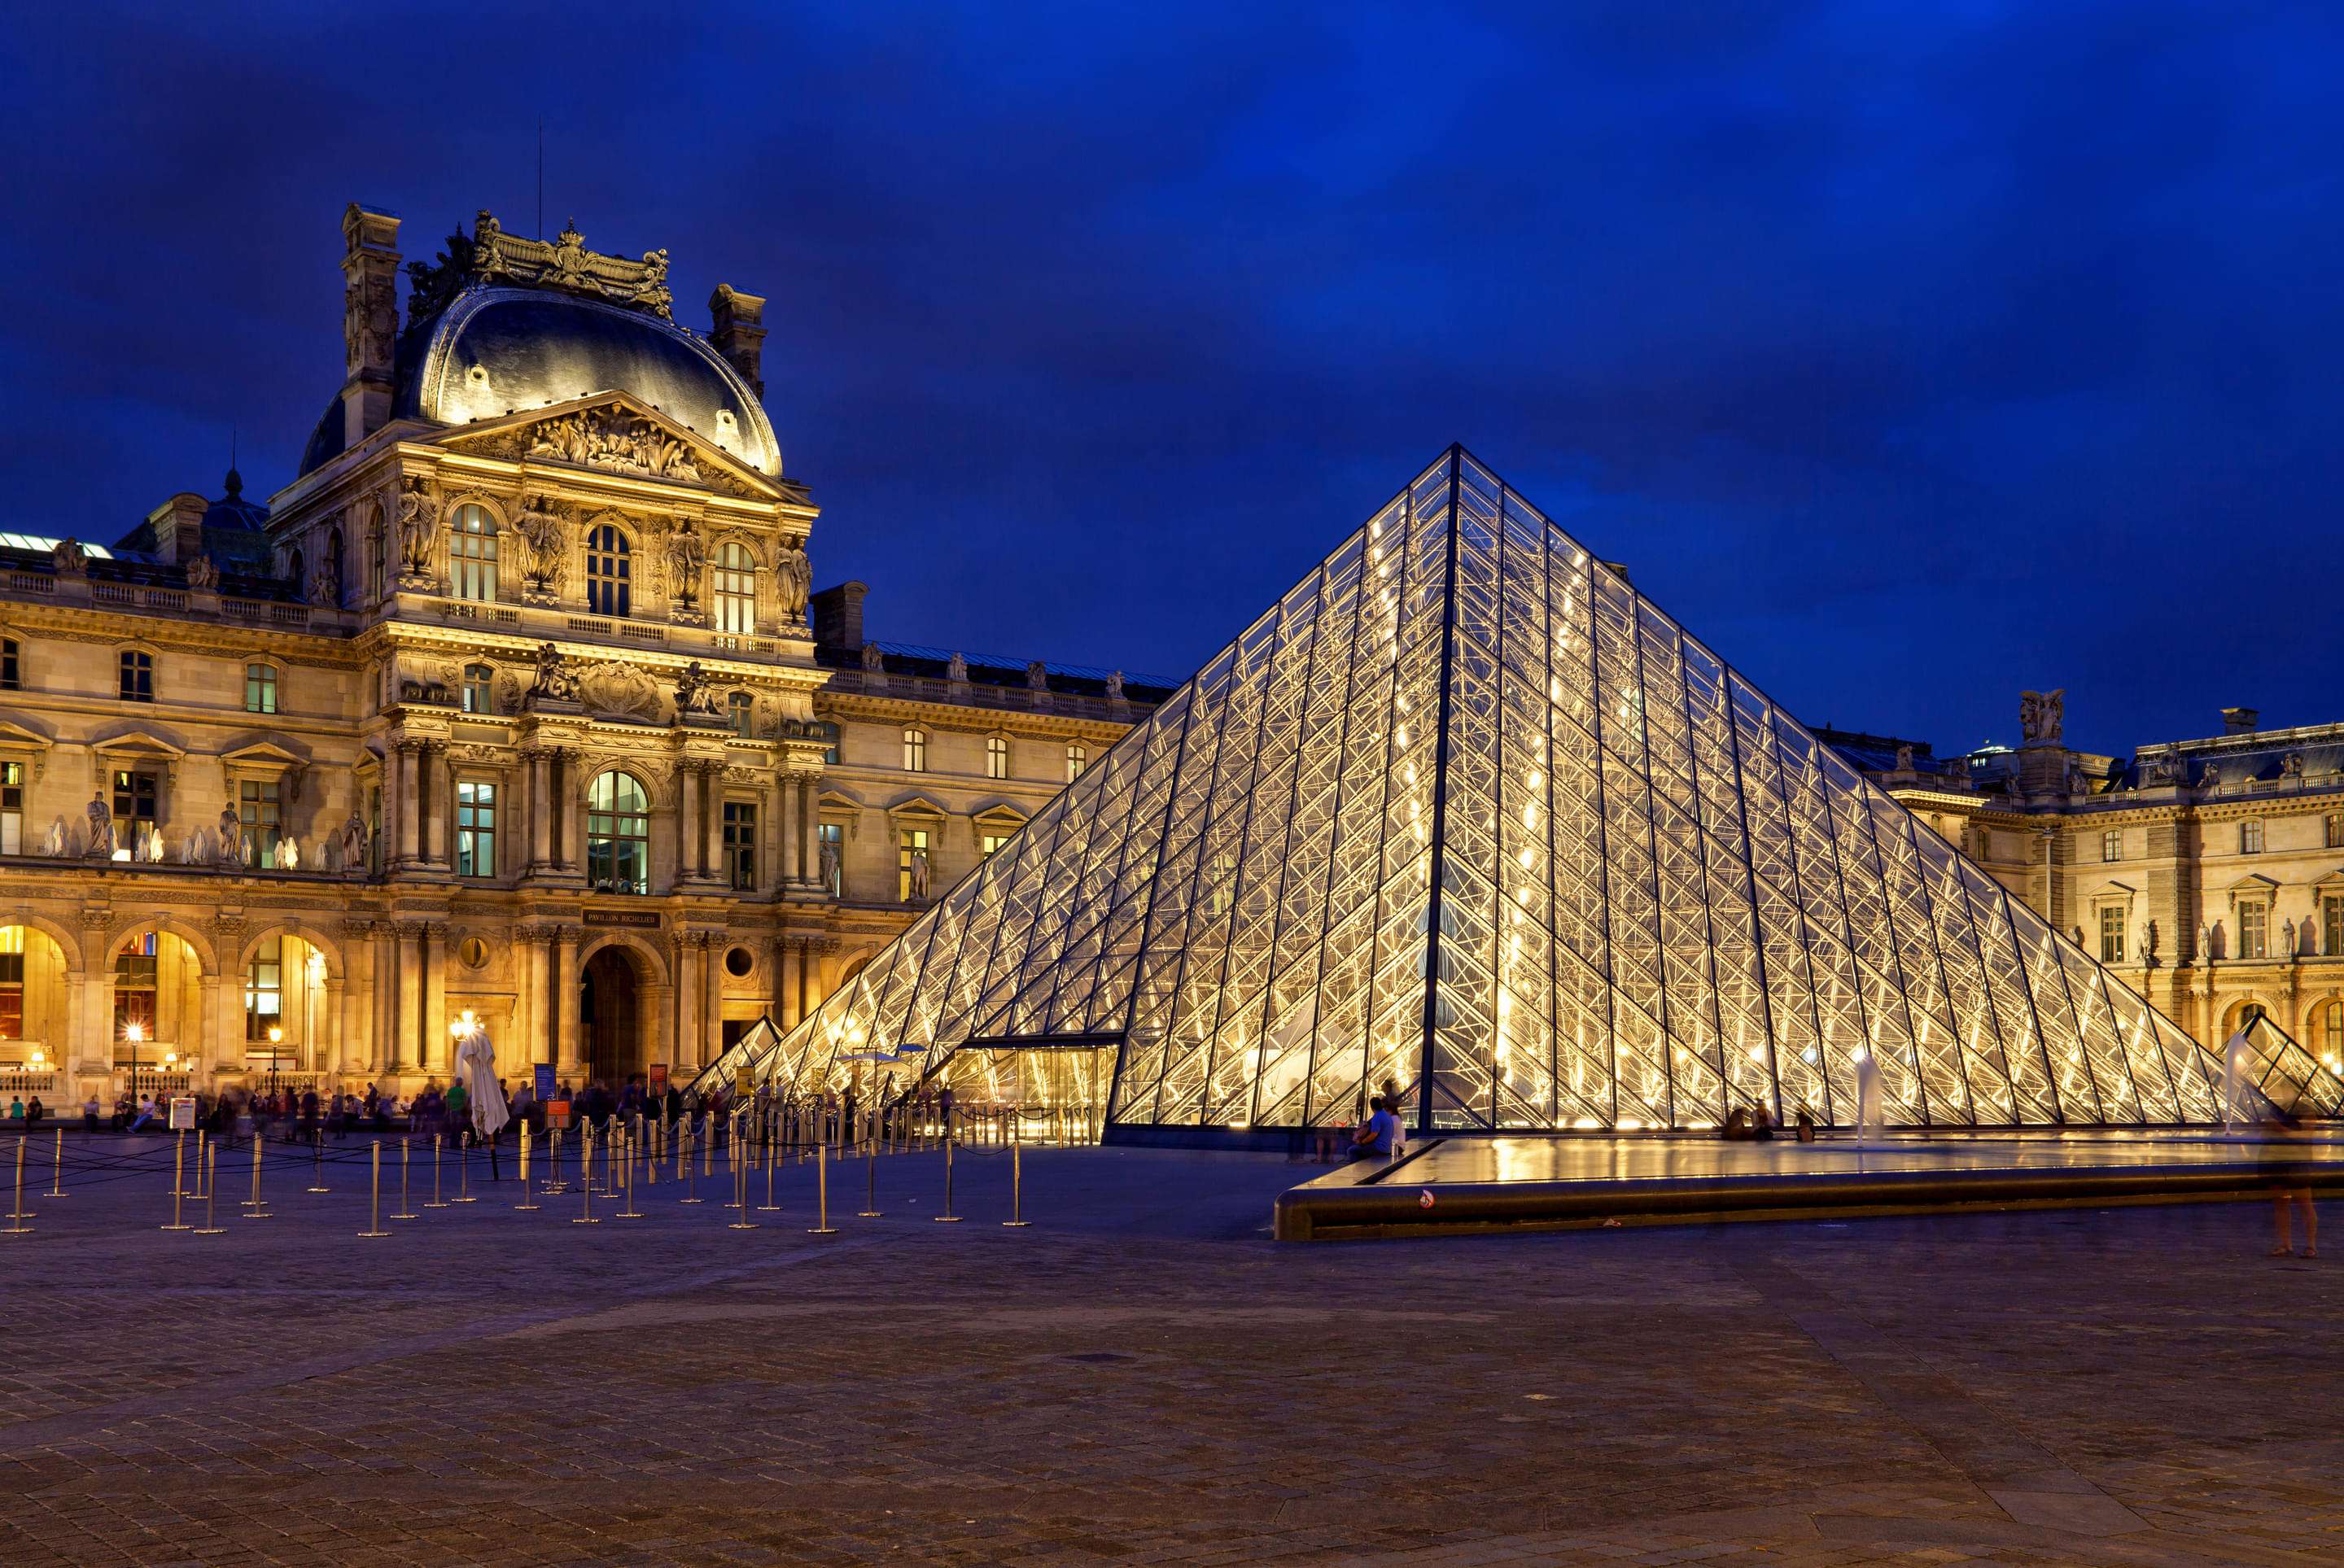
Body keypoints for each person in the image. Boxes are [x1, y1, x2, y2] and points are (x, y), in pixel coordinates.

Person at [2264, 1108, 2319, 1259]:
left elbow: (2305, 1136)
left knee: (2304, 1204)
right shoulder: (2275, 1110)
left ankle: (2310, 1245)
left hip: (2297, 1163)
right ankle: (2286, 1244)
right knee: (2282, 1204)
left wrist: (2281, 1130)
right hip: (2279, 1162)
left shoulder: (2305, 1109)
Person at [1349, 1095, 1401, 1160]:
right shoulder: (1386, 1115)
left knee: (1352, 1150)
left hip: (1379, 1148)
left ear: (1371, 1107)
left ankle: (1357, 1168)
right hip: (1388, 1148)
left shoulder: (1377, 1117)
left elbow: (1373, 1135)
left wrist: (1362, 1142)